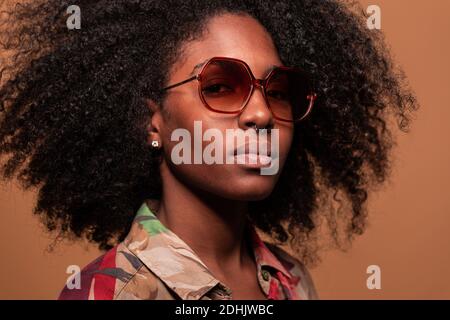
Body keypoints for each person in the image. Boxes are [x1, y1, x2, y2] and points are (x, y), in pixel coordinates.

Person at [0, 0, 417, 300]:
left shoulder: (290, 280)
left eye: (277, 92)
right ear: (154, 122)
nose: (261, 114)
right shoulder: (109, 293)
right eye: (218, 87)